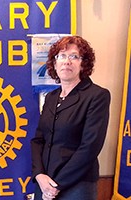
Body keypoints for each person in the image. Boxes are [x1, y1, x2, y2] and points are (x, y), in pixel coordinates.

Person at [30, 36, 110, 200]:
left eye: (74, 56)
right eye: (62, 56)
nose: (67, 61)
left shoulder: (97, 96)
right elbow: (38, 140)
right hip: (44, 183)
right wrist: (39, 175)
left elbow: (89, 147)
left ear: (83, 64)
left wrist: (55, 186)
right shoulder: (51, 97)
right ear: (54, 63)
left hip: (77, 186)